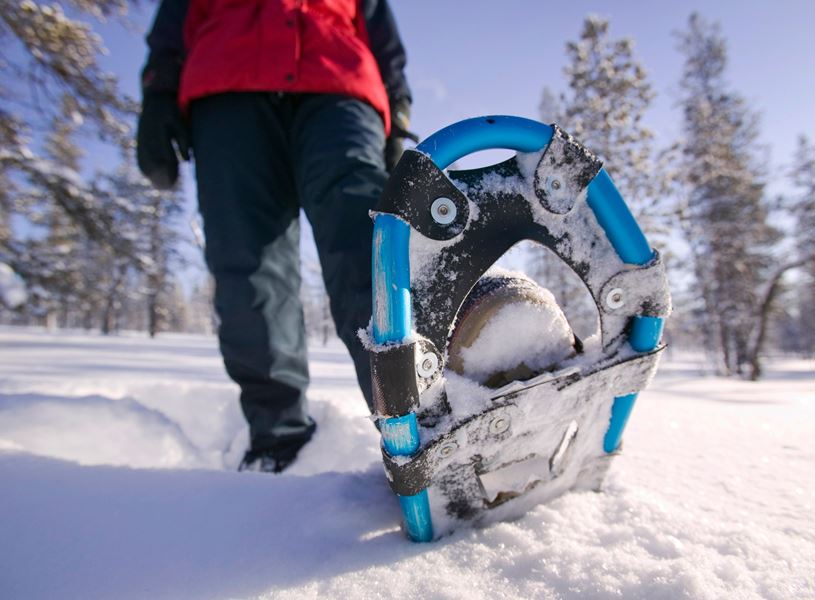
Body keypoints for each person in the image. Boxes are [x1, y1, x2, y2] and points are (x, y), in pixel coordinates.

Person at [137, 0, 413, 472]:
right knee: (248, 262)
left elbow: (378, 26)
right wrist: (159, 92)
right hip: (227, 82)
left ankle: (421, 417)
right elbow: (176, 17)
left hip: (337, 78)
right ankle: (277, 438)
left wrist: (399, 110)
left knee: (368, 242)